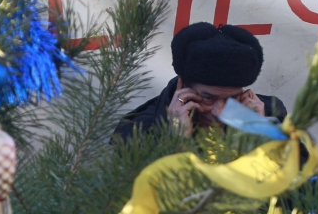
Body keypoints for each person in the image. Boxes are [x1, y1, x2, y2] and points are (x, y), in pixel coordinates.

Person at [113, 22, 285, 139]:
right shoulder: (138, 129)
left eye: (232, 99)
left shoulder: (269, 114)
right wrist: (175, 140)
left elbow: (301, 187)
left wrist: (259, 136)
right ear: (183, 87)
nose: (219, 112)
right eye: (208, 98)